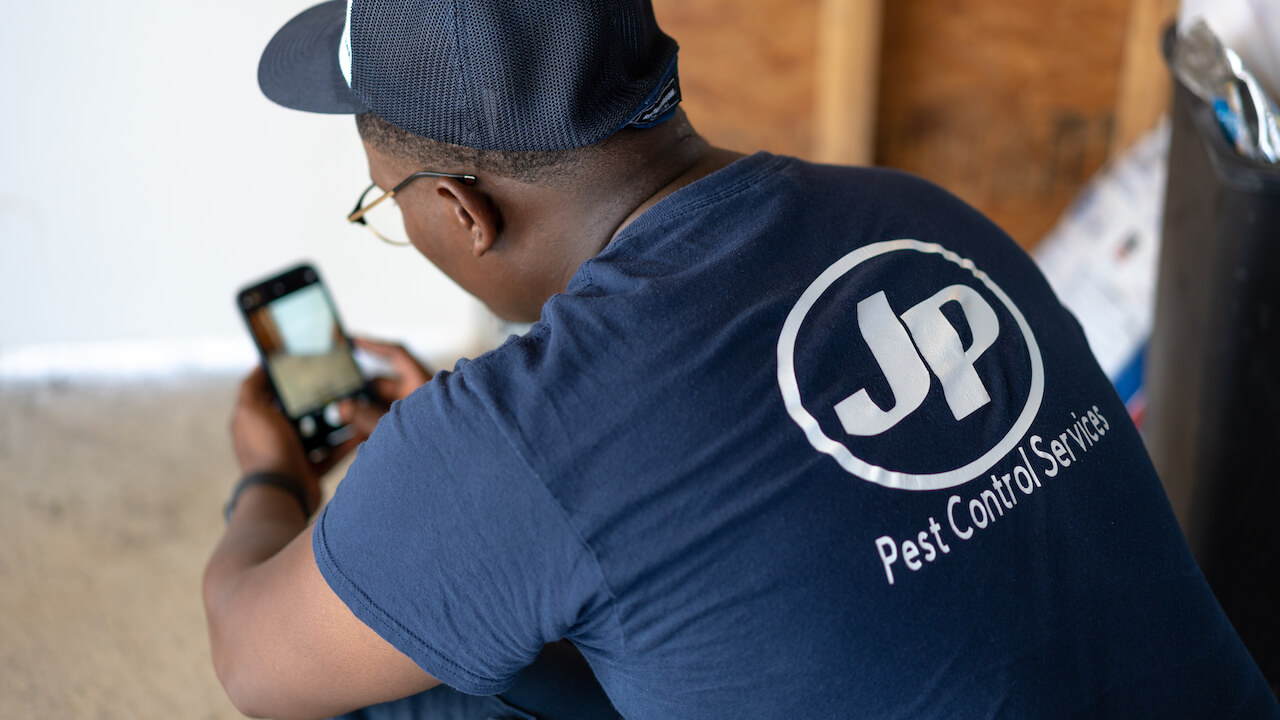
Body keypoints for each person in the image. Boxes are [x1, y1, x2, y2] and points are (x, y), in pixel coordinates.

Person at [204, 0, 1280, 718]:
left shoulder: (514, 435)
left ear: (458, 210)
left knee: (385, 682)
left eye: (385, 205)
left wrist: (272, 474)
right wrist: (450, 493)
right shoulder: (914, 215)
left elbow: (255, 661)